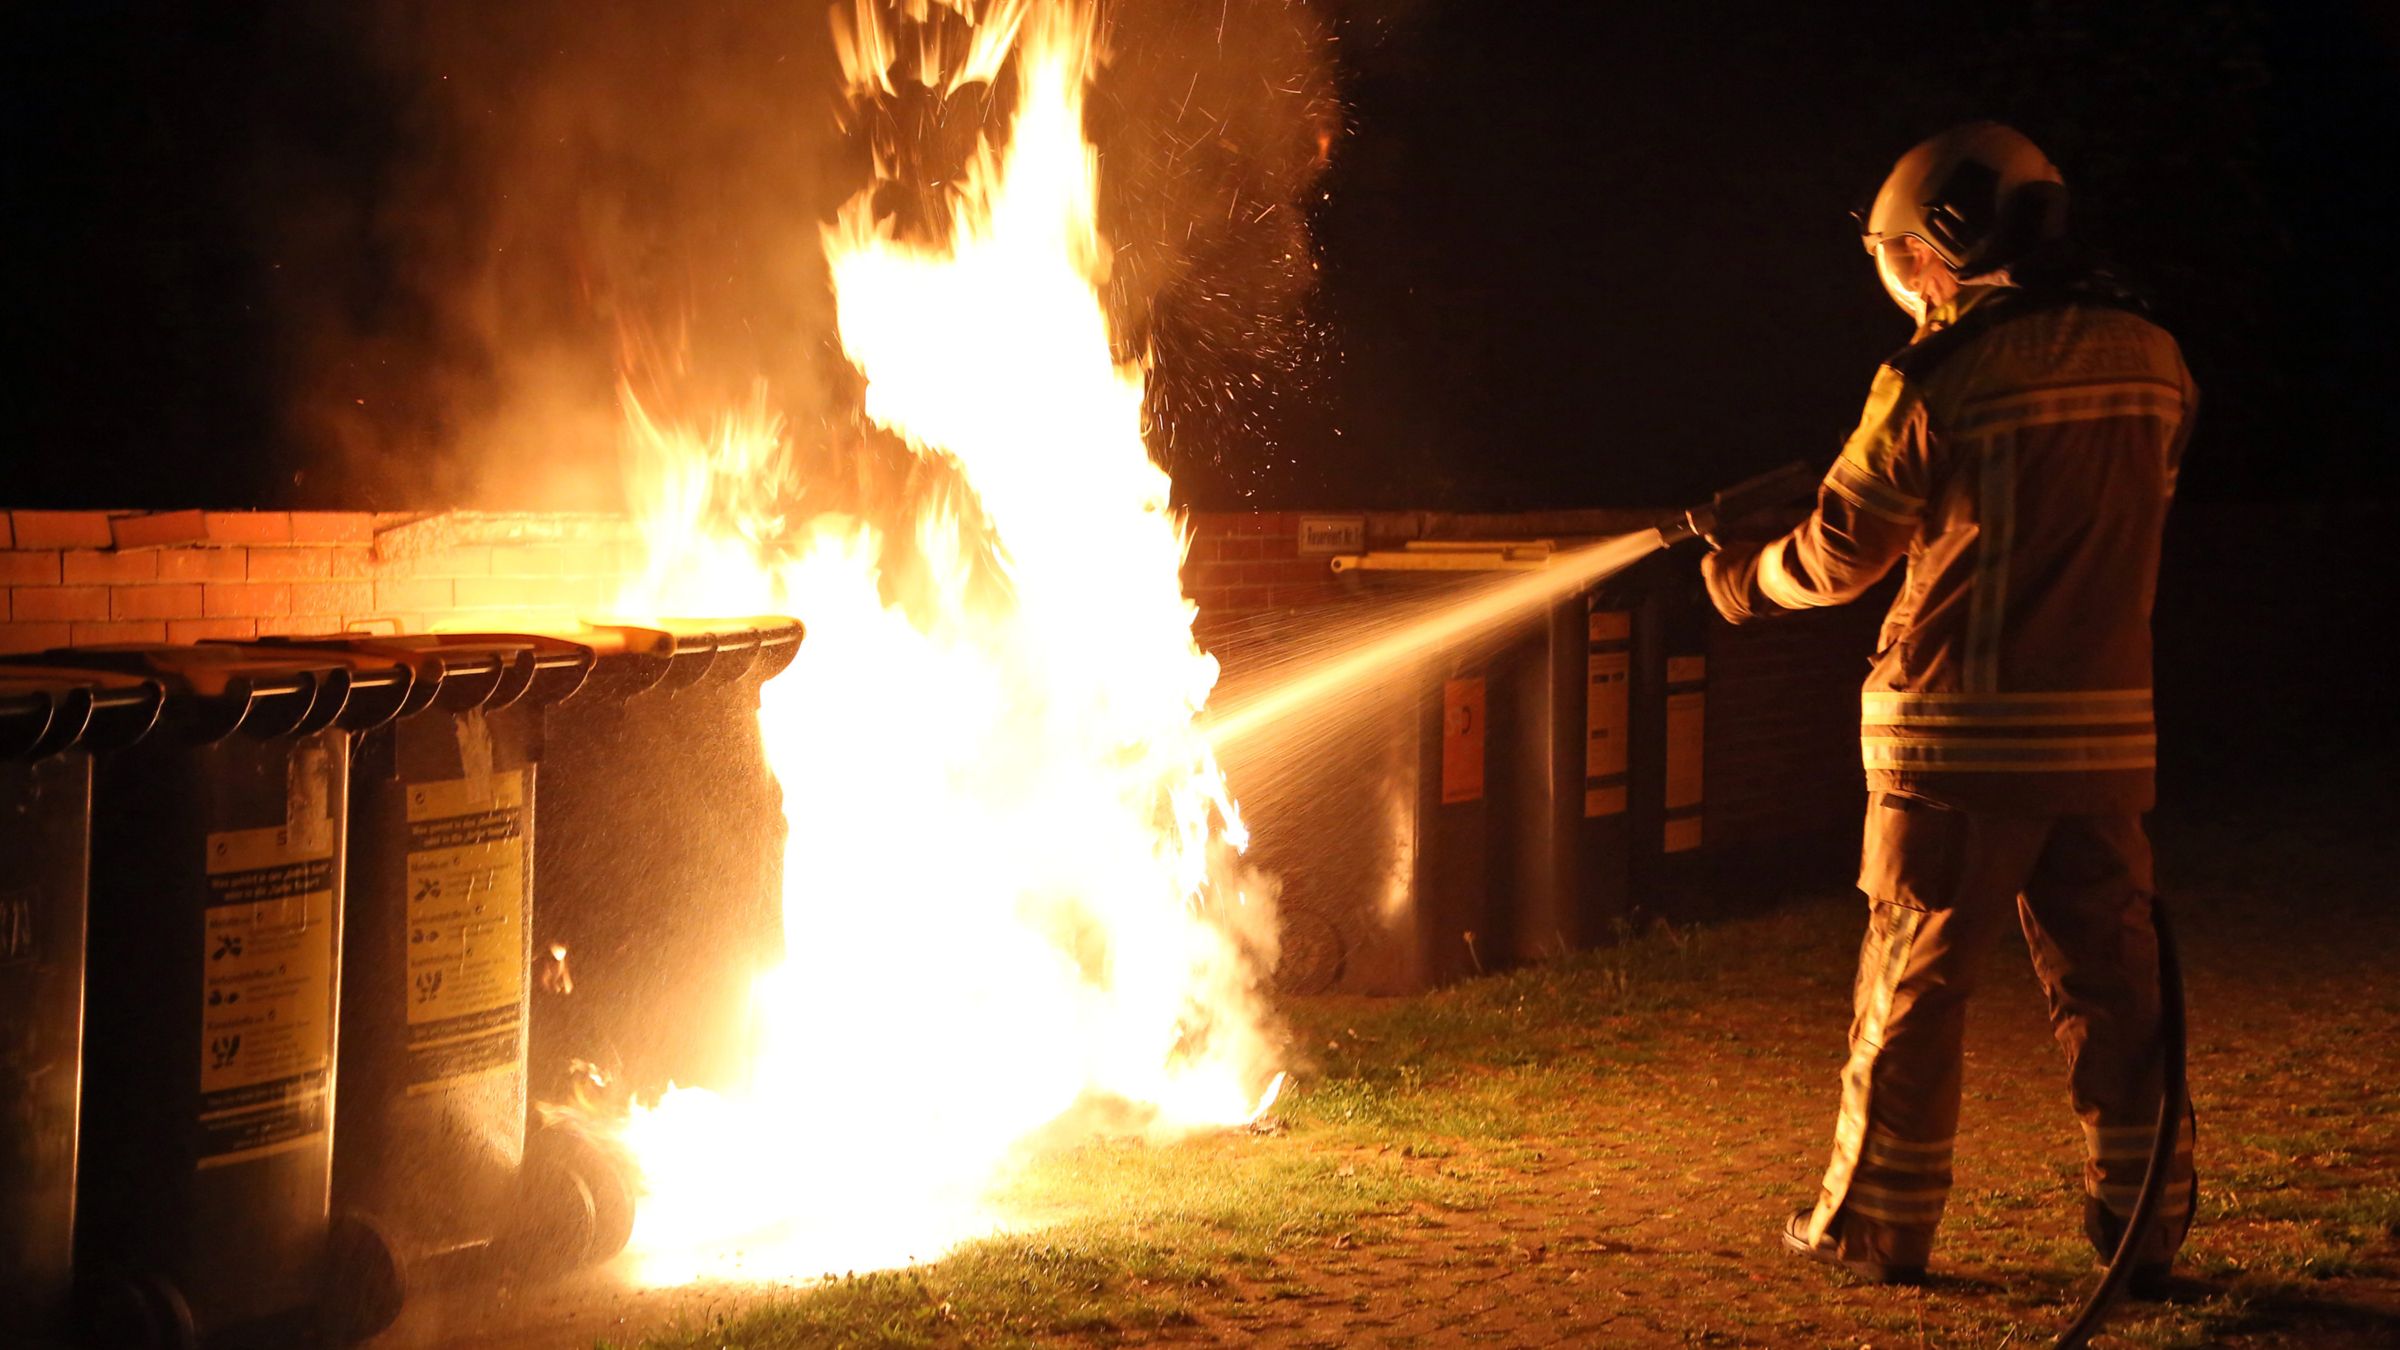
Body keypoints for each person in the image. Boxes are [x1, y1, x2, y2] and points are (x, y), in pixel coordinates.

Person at [1701, 122, 2198, 1288]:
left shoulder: (1942, 370)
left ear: (1943, 245)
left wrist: (1744, 584)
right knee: (2117, 995)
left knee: (1914, 989)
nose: (1898, 279)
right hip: (2104, 744)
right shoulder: (2156, 359)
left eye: (1897, 254)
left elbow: (1840, 549)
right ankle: (2143, 1233)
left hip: (1953, 746)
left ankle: (1879, 1229)